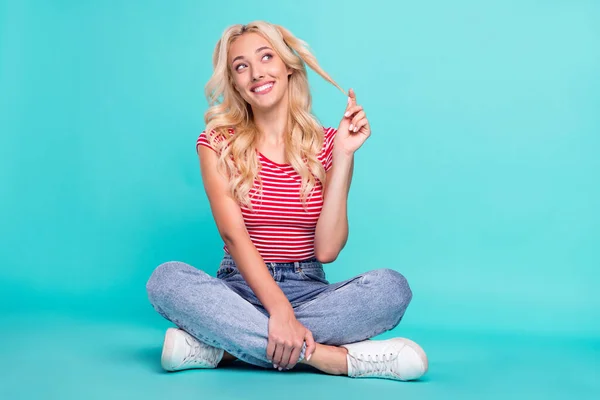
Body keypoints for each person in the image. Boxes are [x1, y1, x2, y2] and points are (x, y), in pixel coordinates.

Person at [146, 20, 428, 382]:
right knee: (165, 280)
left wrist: (343, 155)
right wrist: (278, 312)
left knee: (392, 288)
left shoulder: (328, 142)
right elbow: (233, 236)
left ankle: (226, 350)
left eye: (266, 57)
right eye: (241, 66)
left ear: (288, 66)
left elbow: (327, 250)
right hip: (239, 291)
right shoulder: (217, 142)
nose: (256, 73)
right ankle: (332, 359)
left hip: (308, 291)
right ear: (234, 82)